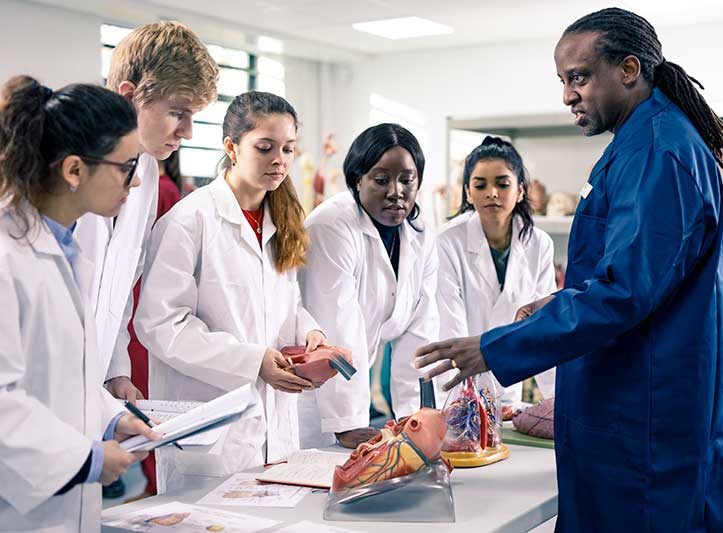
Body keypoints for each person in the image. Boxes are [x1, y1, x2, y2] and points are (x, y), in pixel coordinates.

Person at [416, 7, 723, 532]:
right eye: (563, 81)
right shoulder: (641, 143)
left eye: (579, 78)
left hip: (642, 413)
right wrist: (558, 301)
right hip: (630, 400)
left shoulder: (658, 151)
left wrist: (494, 347)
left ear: (628, 69)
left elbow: (626, 291)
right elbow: (645, 274)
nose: (568, 96)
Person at [135, 91, 322, 494]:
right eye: (265, 147)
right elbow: (160, 324)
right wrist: (252, 362)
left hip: (275, 427)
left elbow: (285, 304)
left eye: (288, 148)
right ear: (231, 148)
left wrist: (311, 333)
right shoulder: (189, 220)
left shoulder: (281, 221)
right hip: (213, 434)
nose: (279, 160)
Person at [0, 76, 159, 531]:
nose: (136, 181)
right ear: (74, 170)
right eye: (126, 167)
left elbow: (66, 377)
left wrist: (111, 420)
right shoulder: (8, 256)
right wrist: (85, 459)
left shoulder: (68, 251)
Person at [72, 21, 217, 498]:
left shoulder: (148, 173)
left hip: (88, 387)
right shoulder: (68, 172)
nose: (187, 131)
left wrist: (115, 370)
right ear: (130, 95)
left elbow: (121, 286)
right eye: (177, 112)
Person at [298, 123, 439, 449]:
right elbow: (338, 329)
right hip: (314, 400)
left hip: (348, 395)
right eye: (381, 179)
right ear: (357, 179)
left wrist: (413, 418)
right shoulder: (331, 226)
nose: (396, 191)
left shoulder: (420, 234)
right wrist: (348, 424)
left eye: (407, 180)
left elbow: (420, 332)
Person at [436, 136, 556, 405]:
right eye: (480, 185)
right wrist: (463, 403)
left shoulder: (539, 244)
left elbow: (545, 327)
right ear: (468, 192)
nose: (492, 193)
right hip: (458, 387)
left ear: (521, 190)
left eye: (502, 184)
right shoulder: (446, 242)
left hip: (508, 386)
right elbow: (451, 328)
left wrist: (555, 400)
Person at [123, 150, 183, 501]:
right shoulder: (160, 185)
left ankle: (152, 484)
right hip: (133, 302)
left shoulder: (161, 189)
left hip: (141, 300)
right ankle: (150, 483)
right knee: (137, 392)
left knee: (143, 395)